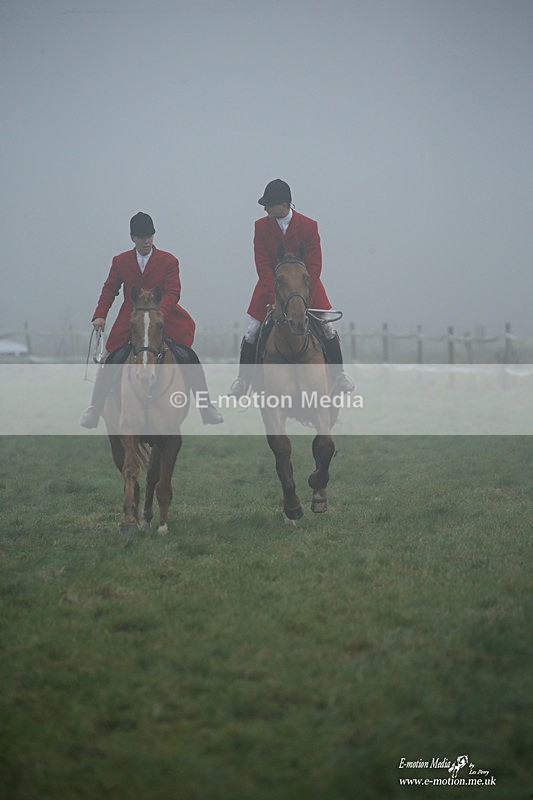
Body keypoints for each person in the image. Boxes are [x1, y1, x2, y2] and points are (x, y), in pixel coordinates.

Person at [80, 212, 223, 428]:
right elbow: (110, 288)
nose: (146, 241)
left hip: (164, 319)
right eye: (141, 237)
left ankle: (206, 406)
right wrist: (100, 314)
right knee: (109, 361)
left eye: (149, 236)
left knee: (189, 357)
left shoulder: (169, 261)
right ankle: (94, 409)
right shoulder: (120, 261)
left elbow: (173, 292)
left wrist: (157, 313)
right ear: (132, 238)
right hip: (131, 321)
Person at [228, 179, 354, 397]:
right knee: (251, 332)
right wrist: (273, 295)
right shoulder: (260, 226)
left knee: (327, 328)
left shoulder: (309, 225)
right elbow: (262, 263)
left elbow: (315, 264)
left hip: (307, 289)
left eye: (269, 204)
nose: (265, 209)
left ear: (283, 204)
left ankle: (339, 374)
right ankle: (243, 381)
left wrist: (304, 295)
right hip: (271, 289)